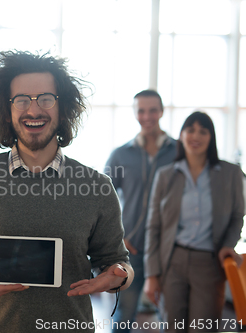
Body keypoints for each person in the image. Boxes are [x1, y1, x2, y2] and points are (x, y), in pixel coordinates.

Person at [0, 51, 134, 333]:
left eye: (46, 99)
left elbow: (116, 262)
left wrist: (119, 276)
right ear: (7, 109)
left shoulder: (97, 186)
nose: (34, 110)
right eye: (21, 100)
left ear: (63, 109)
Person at [144, 111, 245, 332]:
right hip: (172, 261)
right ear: (181, 135)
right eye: (190, 130)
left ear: (211, 137)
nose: (195, 136)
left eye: (203, 131)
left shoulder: (231, 173)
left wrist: (229, 243)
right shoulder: (165, 175)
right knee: (172, 327)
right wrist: (152, 275)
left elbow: (238, 215)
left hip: (209, 263)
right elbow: (154, 227)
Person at [104, 89, 177, 331]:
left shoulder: (179, 152)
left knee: (172, 319)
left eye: (153, 110)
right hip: (130, 250)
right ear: (135, 113)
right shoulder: (120, 155)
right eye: (141, 111)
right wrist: (118, 238)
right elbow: (102, 202)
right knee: (123, 315)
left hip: (169, 250)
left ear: (162, 112)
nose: (147, 116)